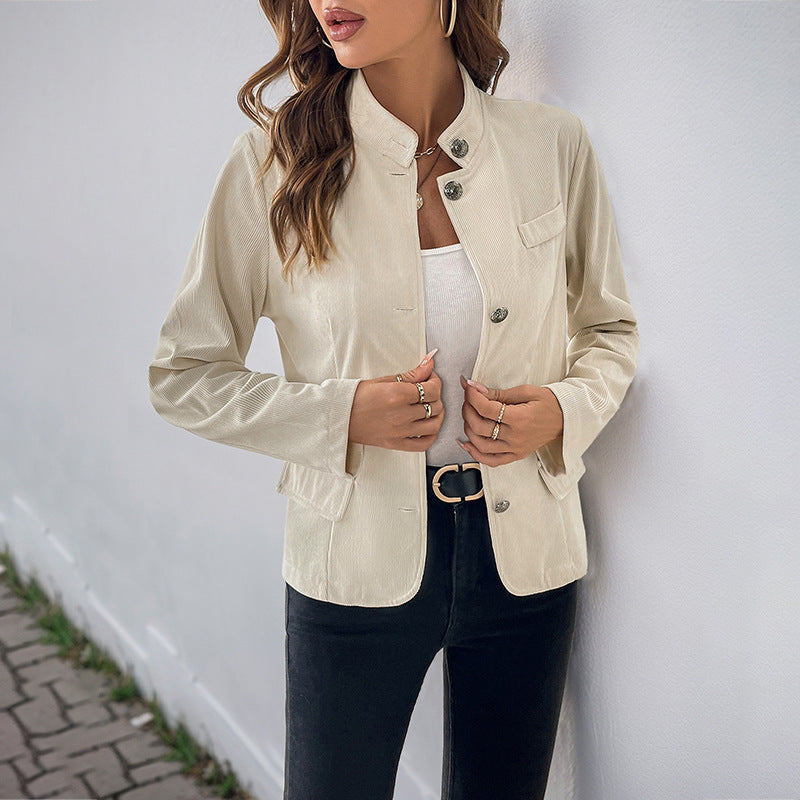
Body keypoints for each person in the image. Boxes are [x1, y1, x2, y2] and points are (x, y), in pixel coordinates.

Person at [147, 0, 639, 797]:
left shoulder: (552, 146)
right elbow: (184, 374)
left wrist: (561, 411)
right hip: (353, 561)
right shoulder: (271, 167)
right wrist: (340, 415)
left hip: (527, 559)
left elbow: (610, 331)